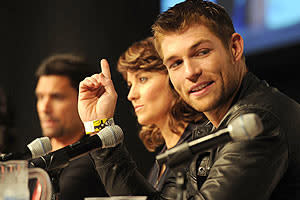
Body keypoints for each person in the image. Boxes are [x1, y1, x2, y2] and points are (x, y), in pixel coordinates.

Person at [78, 0, 300, 199]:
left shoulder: (259, 120)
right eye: (175, 63)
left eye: (201, 52)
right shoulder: (211, 132)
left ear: (234, 48)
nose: (190, 72)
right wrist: (100, 128)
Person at [117, 37, 202, 192]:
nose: (131, 95)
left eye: (142, 79)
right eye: (130, 85)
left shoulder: (200, 147)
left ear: (173, 77)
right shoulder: (160, 161)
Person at [35, 53, 107, 200]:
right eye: (40, 97)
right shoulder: (35, 158)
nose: (44, 108)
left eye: (57, 97)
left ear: (84, 100)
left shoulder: (93, 164)